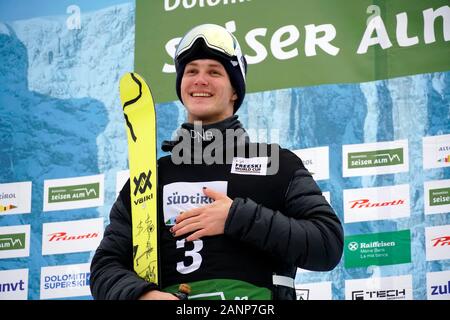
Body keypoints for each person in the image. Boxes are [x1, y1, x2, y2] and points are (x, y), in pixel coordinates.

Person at [90, 24, 343, 300]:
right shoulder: (151, 179)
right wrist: (142, 295)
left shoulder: (277, 164)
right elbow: (105, 266)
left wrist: (237, 217)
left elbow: (327, 243)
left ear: (235, 90)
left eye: (214, 72)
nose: (200, 80)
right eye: (191, 71)